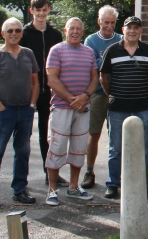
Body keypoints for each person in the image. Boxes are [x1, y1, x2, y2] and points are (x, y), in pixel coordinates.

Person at [0, 18, 40, 208]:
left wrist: (32, 104)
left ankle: (20, 190)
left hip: (24, 111)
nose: (13, 34)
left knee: (22, 152)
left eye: (17, 30)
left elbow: (36, 82)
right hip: (4, 112)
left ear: (21, 33)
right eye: (10, 31)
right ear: (3, 33)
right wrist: (0, 107)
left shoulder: (28, 54)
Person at [100, 16, 148, 200]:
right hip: (118, 106)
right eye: (129, 28)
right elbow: (104, 78)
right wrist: (115, 94)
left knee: (142, 148)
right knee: (115, 148)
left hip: (142, 106)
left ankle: (140, 185)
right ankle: (113, 184)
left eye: (136, 28)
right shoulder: (112, 50)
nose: (132, 31)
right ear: (123, 30)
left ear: (140, 31)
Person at [44, 17, 99, 206]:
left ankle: (74, 187)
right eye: (71, 28)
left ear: (83, 32)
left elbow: (95, 78)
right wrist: (71, 99)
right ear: (65, 30)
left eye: (78, 29)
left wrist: (84, 96)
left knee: (78, 149)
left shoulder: (89, 52)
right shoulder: (56, 50)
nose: (75, 32)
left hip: (83, 108)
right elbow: (52, 79)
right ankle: (52, 189)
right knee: (57, 147)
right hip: (61, 107)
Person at [19, 0, 67, 186]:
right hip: (29, 90)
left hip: (49, 91)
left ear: (48, 10)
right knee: (23, 134)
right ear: (32, 11)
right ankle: (21, 177)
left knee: (48, 134)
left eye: (44, 9)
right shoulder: (24, 33)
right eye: (37, 10)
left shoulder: (55, 35)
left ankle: (50, 173)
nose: (41, 13)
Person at [81, 5, 123, 189]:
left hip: (118, 93)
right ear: (99, 21)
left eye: (112, 23)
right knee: (94, 134)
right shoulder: (91, 40)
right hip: (98, 93)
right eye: (106, 22)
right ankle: (89, 171)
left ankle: (117, 175)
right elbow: (94, 66)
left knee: (117, 136)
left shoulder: (121, 40)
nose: (109, 26)